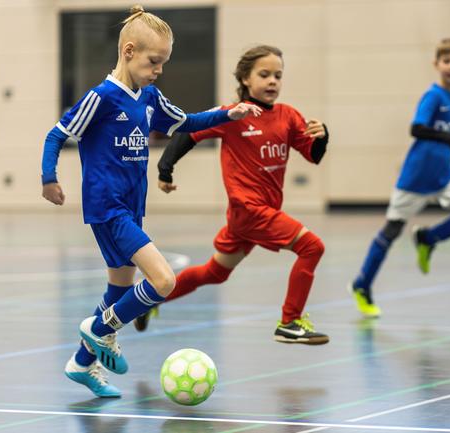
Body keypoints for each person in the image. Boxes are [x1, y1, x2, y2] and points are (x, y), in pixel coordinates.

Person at [40, 5, 260, 398]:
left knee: (118, 290)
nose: (159, 69)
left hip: (131, 208)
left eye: (164, 62)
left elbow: (188, 121)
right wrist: (49, 179)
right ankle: (101, 329)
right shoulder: (102, 98)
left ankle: (81, 363)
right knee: (163, 280)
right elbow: (57, 134)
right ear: (128, 51)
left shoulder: (149, 97)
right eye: (153, 61)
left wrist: (230, 112)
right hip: (108, 208)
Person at [135, 45, 330, 345]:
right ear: (245, 79)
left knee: (215, 272)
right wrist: (165, 168)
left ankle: (150, 297)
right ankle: (290, 321)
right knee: (312, 248)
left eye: (278, 75)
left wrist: (322, 137)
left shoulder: (289, 116)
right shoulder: (232, 115)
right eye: (264, 74)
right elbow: (188, 133)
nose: (273, 81)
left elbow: (313, 155)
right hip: (250, 210)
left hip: (252, 216)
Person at [349, 38, 450, 318]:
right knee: (391, 232)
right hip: (415, 178)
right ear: (437, 65)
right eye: (446, 61)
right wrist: (449, 137)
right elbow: (417, 128)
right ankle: (362, 285)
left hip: (444, 176)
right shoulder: (433, 96)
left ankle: (428, 238)